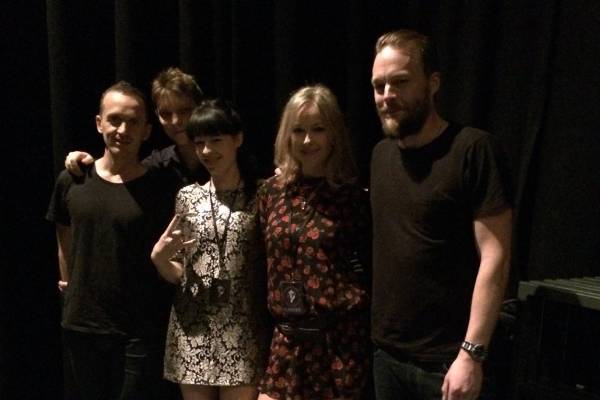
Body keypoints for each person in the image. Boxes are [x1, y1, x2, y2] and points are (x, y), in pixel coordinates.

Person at [369, 29, 513, 400]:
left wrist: (472, 354)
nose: (387, 96)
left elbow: (495, 256)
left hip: (449, 364)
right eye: (379, 86)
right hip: (387, 357)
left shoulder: (473, 150)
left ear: (433, 83)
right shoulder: (380, 156)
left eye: (400, 82)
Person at [46, 81, 181, 399]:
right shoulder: (73, 179)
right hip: (83, 324)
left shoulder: (162, 187)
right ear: (99, 123)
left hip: (140, 328)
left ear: (147, 131)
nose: (123, 130)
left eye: (133, 122)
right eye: (115, 120)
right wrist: (69, 283)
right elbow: (64, 232)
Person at [256, 84, 371, 400]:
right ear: (287, 135)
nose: (307, 140)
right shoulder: (270, 193)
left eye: (318, 129)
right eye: (299, 130)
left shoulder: (352, 197)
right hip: (286, 343)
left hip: (338, 347)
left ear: (333, 134)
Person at [150, 99, 269, 400]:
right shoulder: (188, 197)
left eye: (216, 140)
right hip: (193, 330)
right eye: (199, 143)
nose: (206, 151)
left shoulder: (262, 194)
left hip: (242, 330)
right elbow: (180, 272)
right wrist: (160, 260)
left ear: (237, 139)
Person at [64, 67, 207, 189]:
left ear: (200, 108)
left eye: (185, 111)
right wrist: (85, 163)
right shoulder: (157, 166)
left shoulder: (220, 154)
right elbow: (120, 170)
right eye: (166, 114)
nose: (176, 121)